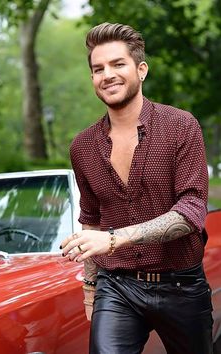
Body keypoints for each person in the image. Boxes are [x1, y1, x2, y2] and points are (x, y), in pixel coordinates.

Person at [60, 22, 213, 354]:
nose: (107, 75)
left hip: (181, 285)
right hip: (116, 287)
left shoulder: (181, 126)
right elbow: (92, 218)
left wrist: (114, 239)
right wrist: (90, 289)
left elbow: (190, 212)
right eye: (98, 69)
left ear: (141, 70)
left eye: (118, 64)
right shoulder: (82, 147)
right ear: (92, 79)